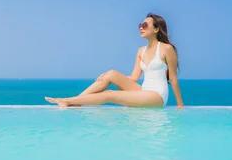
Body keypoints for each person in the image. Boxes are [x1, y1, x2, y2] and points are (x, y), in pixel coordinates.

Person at [45, 13, 184, 109]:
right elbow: (134, 77)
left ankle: (68, 101)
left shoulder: (167, 49)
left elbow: (173, 78)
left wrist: (180, 105)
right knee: (111, 73)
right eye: (140, 25)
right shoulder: (141, 51)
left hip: (157, 96)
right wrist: (107, 76)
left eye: (145, 25)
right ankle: (77, 101)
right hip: (144, 90)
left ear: (156, 29)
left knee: (110, 95)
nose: (141, 27)